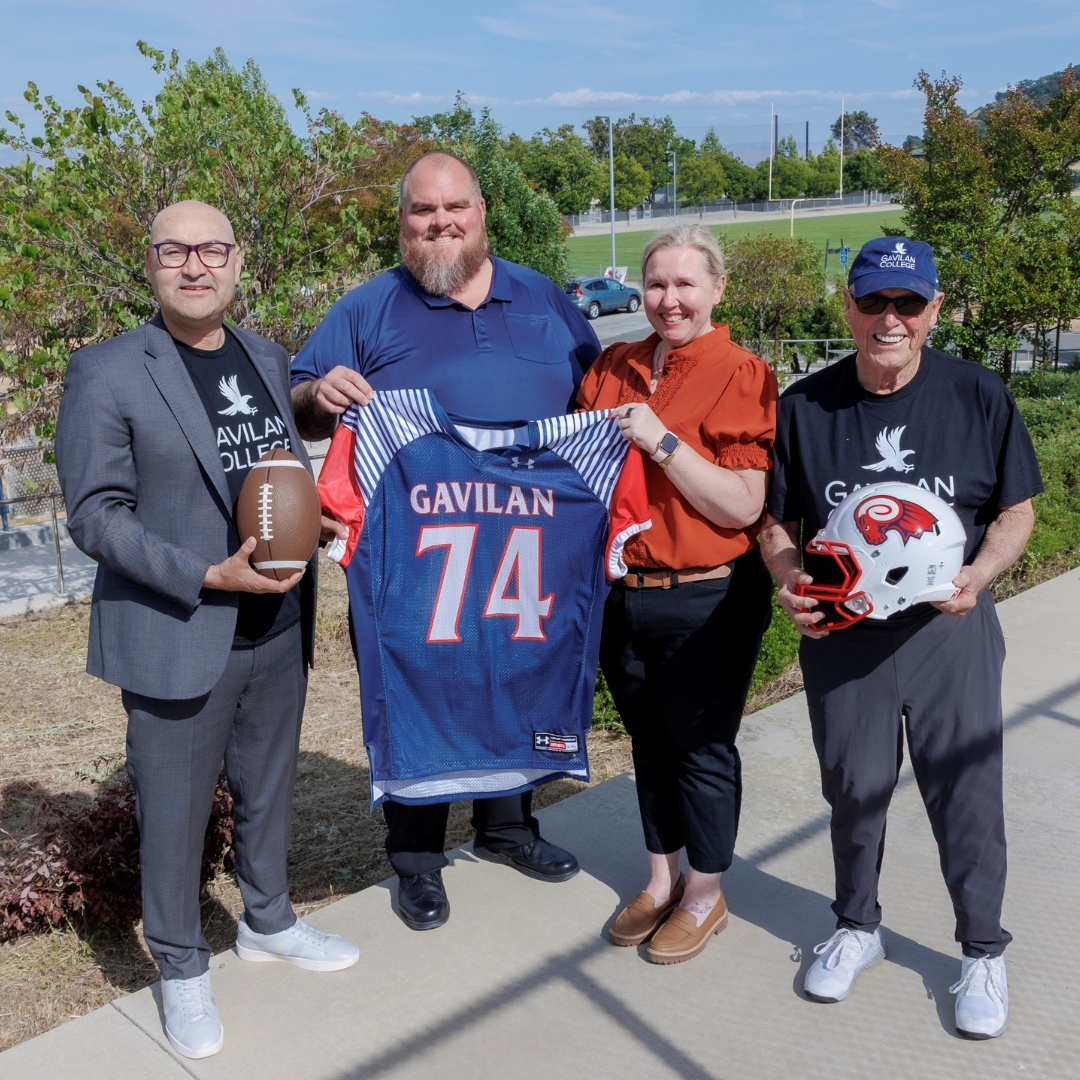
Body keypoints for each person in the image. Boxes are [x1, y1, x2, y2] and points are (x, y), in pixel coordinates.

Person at [55, 201, 359, 1061]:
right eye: (176, 250)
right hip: (178, 625)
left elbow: (274, 471)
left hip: (277, 622)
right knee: (177, 814)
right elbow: (95, 516)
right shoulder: (105, 370)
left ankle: (268, 922)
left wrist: (313, 525)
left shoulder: (264, 355)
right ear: (149, 265)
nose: (196, 265)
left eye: (213, 249)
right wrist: (204, 573)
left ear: (237, 262)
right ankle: (182, 968)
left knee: (268, 793)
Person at [290, 150, 602, 932]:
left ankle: (508, 828)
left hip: (529, 538)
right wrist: (315, 394)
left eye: (453, 208)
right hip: (419, 547)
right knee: (417, 677)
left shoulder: (543, 298)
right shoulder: (366, 309)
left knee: (518, 665)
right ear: (402, 223)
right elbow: (296, 400)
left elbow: (600, 397)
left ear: (481, 210)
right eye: (422, 213)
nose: (440, 224)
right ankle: (417, 861)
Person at [759, 237, 1042, 1038]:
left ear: (934, 309)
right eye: (874, 302)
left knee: (967, 796)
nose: (890, 320)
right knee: (853, 790)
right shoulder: (806, 408)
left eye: (908, 304)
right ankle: (856, 928)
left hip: (951, 629)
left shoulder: (977, 394)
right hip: (846, 635)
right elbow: (775, 520)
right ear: (847, 306)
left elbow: (1017, 511)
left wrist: (979, 575)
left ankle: (981, 951)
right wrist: (789, 581)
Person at [576, 223, 777, 964]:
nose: (669, 300)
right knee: (649, 743)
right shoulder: (614, 363)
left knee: (700, 747)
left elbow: (742, 506)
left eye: (686, 284)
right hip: (624, 593)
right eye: (657, 284)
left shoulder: (741, 372)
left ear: (717, 289)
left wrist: (661, 440)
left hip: (706, 597)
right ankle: (660, 879)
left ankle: (704, 892)